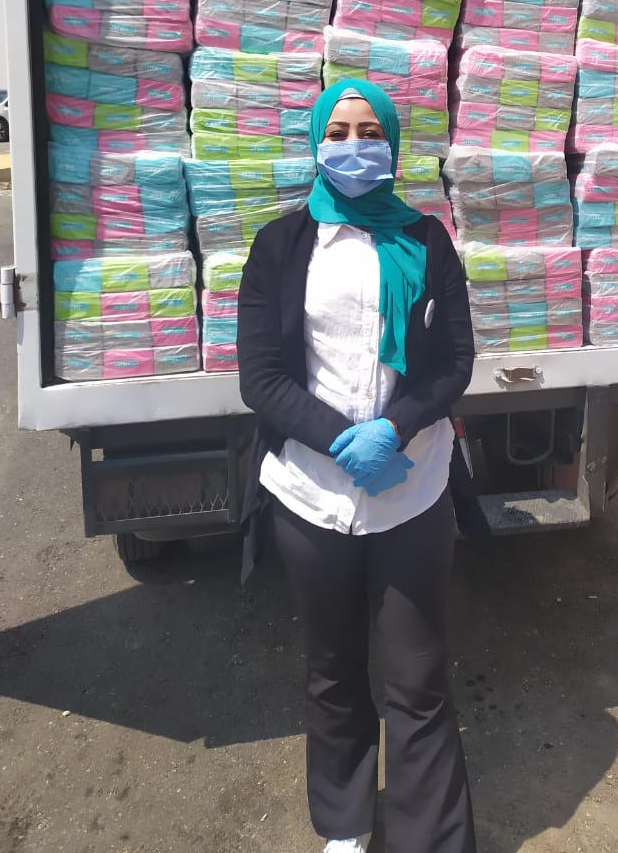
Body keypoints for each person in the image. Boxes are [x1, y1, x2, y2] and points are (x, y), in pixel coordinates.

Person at [236, 78, 478, 853]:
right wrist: (344, 439)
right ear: (317, 142)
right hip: (312, 494)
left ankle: (430, 839)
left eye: (369, 132)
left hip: (412, 492)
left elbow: (455, 361)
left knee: (418, 677)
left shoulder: (427, 240)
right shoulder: (280, 245)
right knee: (333, 669)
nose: (353, 146)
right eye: (337, 132)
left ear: (393, 144)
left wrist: (395, 431)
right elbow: (261, 377)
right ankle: (344, 825)